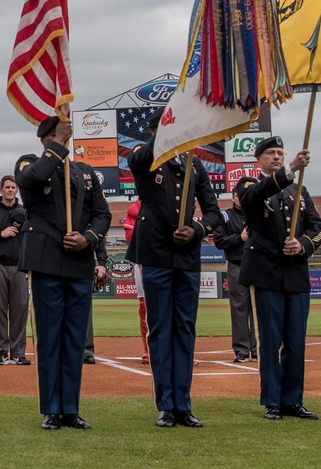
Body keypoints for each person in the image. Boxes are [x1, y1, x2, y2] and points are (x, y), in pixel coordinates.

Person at [127, 107, 222, 427]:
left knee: (184, 329)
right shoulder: (147, 158)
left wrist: (196, 230)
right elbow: (137, 159)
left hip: (186, 256)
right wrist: (164, 133)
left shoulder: (195, 167)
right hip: (155, 253)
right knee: (161, 330)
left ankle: (183, 403)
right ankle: (166, 404)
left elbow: (214, 214)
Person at [16, 116, 111, 431]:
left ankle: (70, 408)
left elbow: (102, 214)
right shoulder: (31, 166)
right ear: (44, 137)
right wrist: (58, 144)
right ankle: (51, 409)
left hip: (78, 260)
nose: (65, 138)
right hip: (47, 261)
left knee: (74, 339)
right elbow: (33, 179)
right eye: (57, 134)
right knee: (50, 338)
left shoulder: (84, 173)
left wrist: (89, 238)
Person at [238, 136, 321, 421]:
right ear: (259, 159)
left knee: (296, 340)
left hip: (295, 272)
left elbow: (319, 227)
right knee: (270, 339)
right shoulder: (250, 184)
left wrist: (302, 243)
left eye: (280, 153)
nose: (276, 157)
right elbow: (252, 199)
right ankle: (272, 400)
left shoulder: (299, 191)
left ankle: (293, 400)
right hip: (266, 272)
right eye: (271, 153)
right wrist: (289, 169)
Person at [0, 175, 31, 365]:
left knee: (20, 309)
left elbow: (31, 238)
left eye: (13, 187)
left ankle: (19, 353)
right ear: (1, 190)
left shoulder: (25, 212)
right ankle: (0, 352)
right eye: (7, 187)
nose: (10, 190)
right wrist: (0, 234)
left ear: (17, 190)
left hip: (20, 266)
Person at [214, 179, 258, 363]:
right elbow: (219, 241)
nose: (242, 199)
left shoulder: (258, 214)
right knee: (239, 309)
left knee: (258, 309)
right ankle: (241, 350)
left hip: (258, 267)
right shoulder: (226, 216)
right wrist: (239, 238)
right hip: (237, 265)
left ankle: (258, 349)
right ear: (233, 197)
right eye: (239, 195)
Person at [121, 200, 150, 364]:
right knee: (144, 307)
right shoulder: (135, 209)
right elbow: (129, 237)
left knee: (176, 306)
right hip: (143, 261)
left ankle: (181, 352)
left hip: (170, 260)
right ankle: (148, 350)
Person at [83, 239, 109, 365]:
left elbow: (97, 236)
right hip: (57, 265)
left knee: (85, 312)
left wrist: (102, 262)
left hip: (83, 266)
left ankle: (87, 352)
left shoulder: (86, 220)